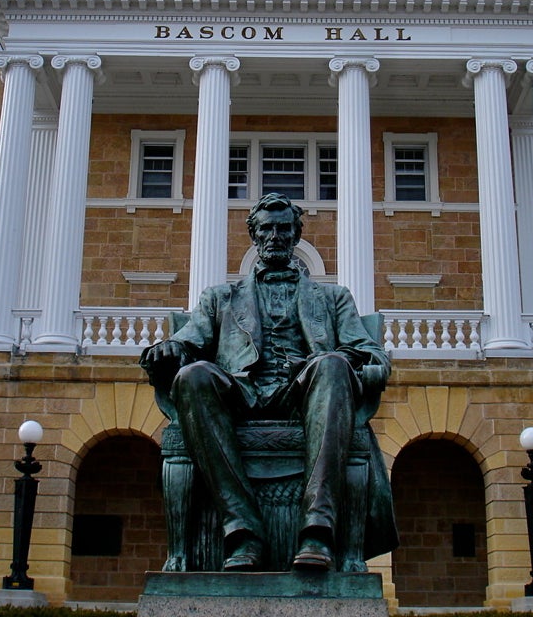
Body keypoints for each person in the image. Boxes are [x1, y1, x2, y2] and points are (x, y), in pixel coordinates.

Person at [140, 193, 395, 572]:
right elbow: (189, 341)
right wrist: (167, 350)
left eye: (283, 229)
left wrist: (363, 366)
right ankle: (242, 531)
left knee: (332, 364)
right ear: (254, 236)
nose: (275, 235)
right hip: (241, 393)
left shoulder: (333, 297)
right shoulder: (221, 297)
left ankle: (317, 531)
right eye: (266, 229)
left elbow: (370, 352)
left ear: (295, 236)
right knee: (194, 375)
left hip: (305, 392)